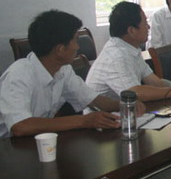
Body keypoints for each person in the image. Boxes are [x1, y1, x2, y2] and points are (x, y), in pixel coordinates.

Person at [0, 10, 126, 138]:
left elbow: (94, 100)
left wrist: (126, 105)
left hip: (37, 141)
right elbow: (20, 126)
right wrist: (84, 121)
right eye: (76, 40)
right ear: (60, 49)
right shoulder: (19, 74)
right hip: (8, 145)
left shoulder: (63, 69)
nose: (78, 47)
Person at [86, 1, 171, 102]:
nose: (148, 27)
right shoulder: (116, 55)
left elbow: (155, 82)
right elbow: (136, 93)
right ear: (131, 30)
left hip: (127, 111)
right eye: (145, 23)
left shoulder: (132, 49)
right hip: (104, 118)